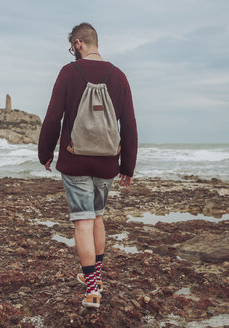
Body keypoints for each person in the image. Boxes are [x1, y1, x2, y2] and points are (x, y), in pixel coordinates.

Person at [38, 23, 138, 308]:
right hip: (107, 163)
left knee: (82, 221)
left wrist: (45, 152)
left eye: (73, 48)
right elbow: (129, 123)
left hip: (74, 159)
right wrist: (127, 165)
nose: (72, 53)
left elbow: (53, 116)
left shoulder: (69, 73)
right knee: (97, 217)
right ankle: (98, 277)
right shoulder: (118, 76)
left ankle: (92, 289)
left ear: (79, 43)